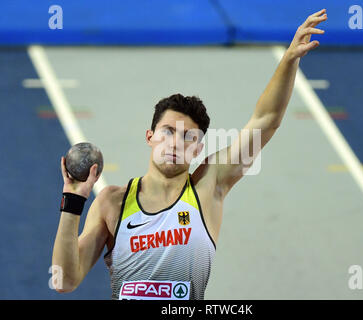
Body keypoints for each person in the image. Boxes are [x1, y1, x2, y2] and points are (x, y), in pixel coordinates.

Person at [52, 9, 327, 300]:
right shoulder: (112, 202)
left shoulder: (210, 187)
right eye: (168, 131)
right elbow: (65, 281)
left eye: (188, 137)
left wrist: (288, 60)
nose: (175, 143)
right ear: (150, 137)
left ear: (198, 149)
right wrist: (73, 202)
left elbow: (266, 120)